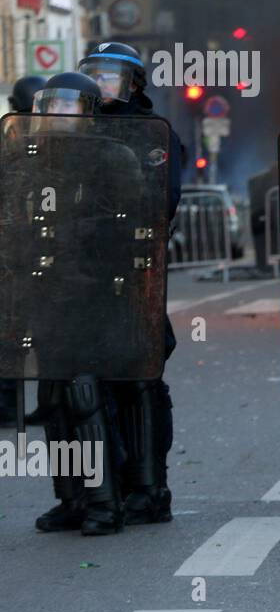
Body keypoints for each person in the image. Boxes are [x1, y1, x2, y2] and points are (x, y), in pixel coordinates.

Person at [19, 72, 163, 535]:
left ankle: (104, 500)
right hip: (45, 293)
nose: (56, 115)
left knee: (85, 394)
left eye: (68, 106)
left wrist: (80, 238)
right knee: (54, 399)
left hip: (96, 293)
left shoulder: (112, 156)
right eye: (50, 106)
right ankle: (71, 498)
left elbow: (130, 223)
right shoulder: (28, 160)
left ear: (89, 112)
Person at [77, 43, 185, 526]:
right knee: (78, 384)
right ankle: (89, 492)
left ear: (134, 83)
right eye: (93, 74)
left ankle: (148, 489)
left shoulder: (152, 134)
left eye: (110, 75)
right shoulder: (73, 134)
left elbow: (161, 202)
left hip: (133, 272)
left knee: (140, 380)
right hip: (75, 277)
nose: (101, 84)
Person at [0, 75, 45, 426]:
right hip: (16, 249)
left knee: (33, 331)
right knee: (13, 331)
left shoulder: (54, 144)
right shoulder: (9, 146)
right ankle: (9, 406)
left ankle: (19, 405)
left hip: (40, 247)